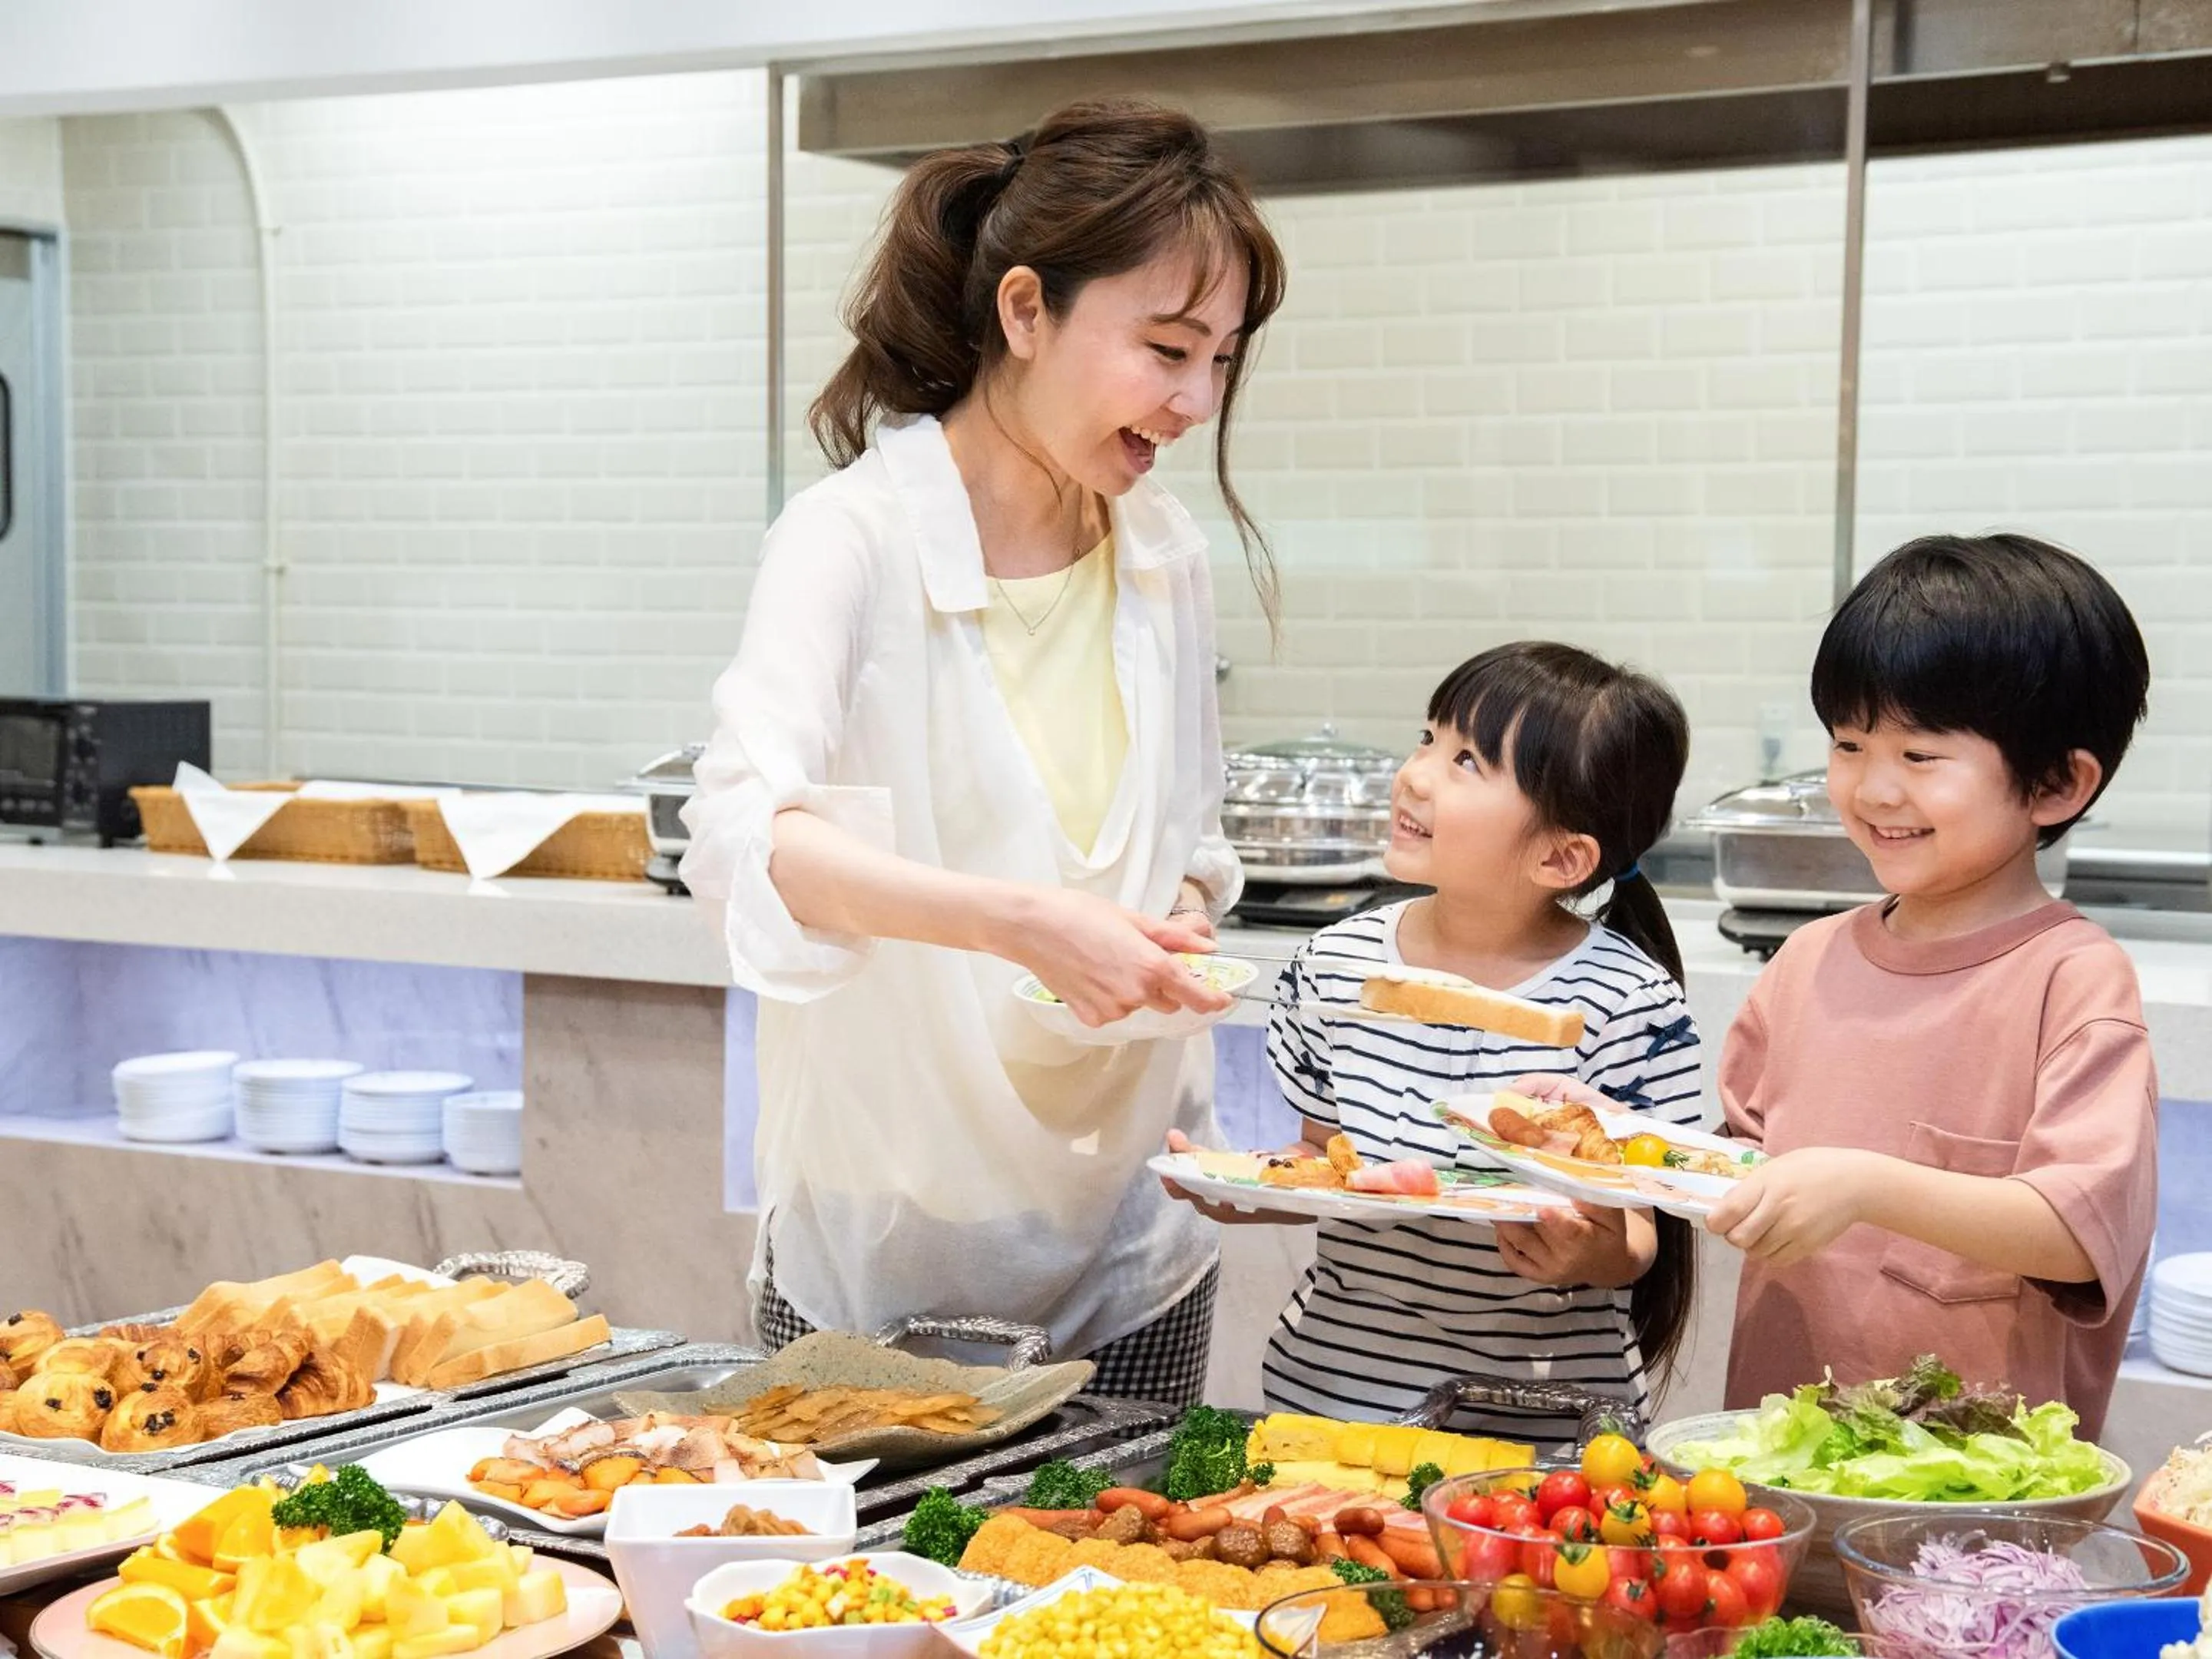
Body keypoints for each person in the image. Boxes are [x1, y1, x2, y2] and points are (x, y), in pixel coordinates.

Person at [679, 98, 1287, 1404]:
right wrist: (1024, 925)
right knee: (868, 1602)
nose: (1195, 401)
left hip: (1136, 1241)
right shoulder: (850, 539)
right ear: (1025, 312)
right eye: (1168, 347)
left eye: (1223, 359)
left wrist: (1167, 924)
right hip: (888, 1246)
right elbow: (741, 838)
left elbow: (1188, 842)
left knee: (1122, 1603)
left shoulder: (1166, 556)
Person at [1168, 643, 1704, 1445]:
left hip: (1540, 1434)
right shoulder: (1336, 964)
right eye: (1428, 738)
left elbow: (1634, 1243)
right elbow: (1327, 1161)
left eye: (1466, 761)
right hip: (1331, 1399)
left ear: (1562, 855)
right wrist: (1243, 1189)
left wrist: (1579, 1257)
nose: (1416, 774)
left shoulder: (1630, 1004)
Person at [1700, 533, 2156, 1439]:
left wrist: (1866, 1186)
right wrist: (1603, 1147)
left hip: (1976, 1507)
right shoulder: (1805, 962)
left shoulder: (2073, 979)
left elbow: (2076, 1233)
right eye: (1849, 742)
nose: (1871, 788)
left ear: (2057, 784)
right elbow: (1731, 1167)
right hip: (1770, 1473)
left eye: (1920, 757)